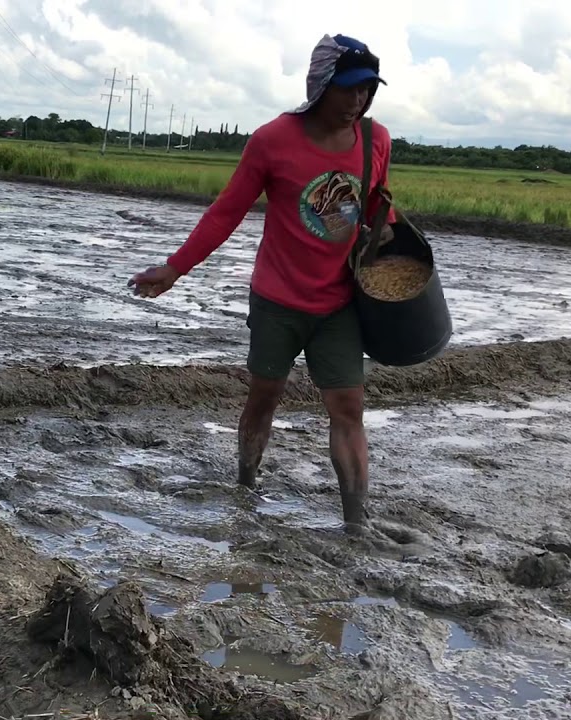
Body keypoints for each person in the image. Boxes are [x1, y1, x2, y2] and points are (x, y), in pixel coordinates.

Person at [127, 33, 397, 534]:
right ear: (321, 86)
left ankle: (357, 524)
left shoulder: (375, 141)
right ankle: (246, 483)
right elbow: (226, 212)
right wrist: (174, 268)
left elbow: (378, 202)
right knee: (265, 396)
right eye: (348, 88)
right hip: (278, 300)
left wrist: (391, 234)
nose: (357, 100)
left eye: (366, 90)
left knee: (348, 407)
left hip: (339, 304)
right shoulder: (273, 140)